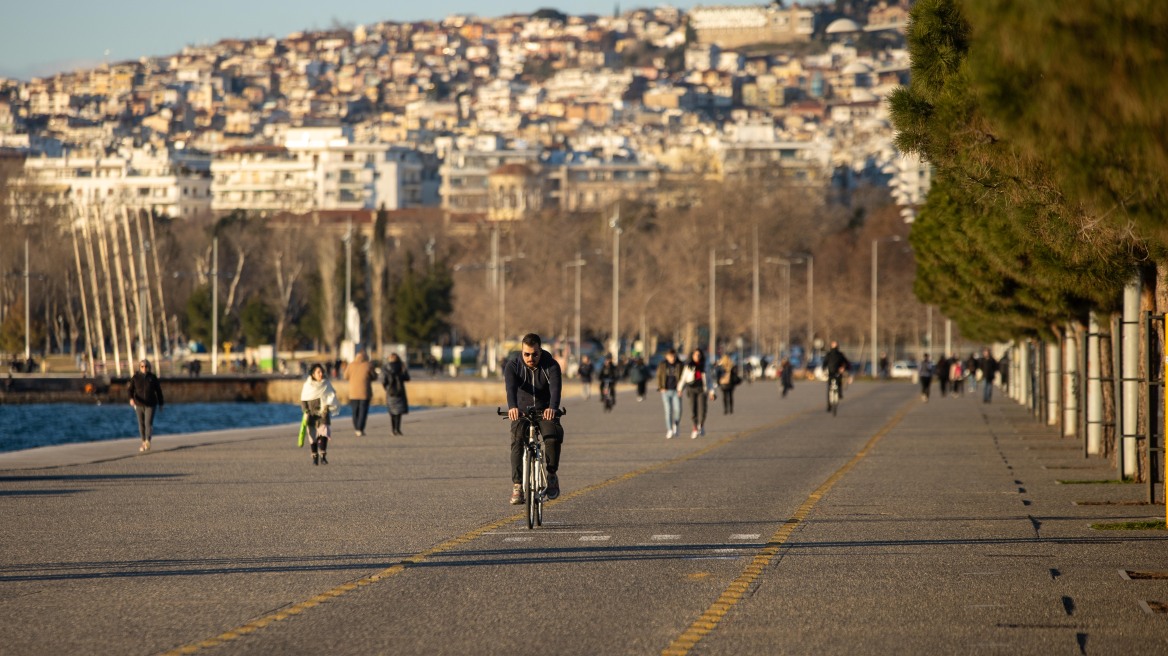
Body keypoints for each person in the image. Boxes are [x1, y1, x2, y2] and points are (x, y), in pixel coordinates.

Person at [505, 333, 564, 504]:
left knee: (552, 437)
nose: (531, 358)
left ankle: (551, 475)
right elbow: (510, 388)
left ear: (540, 350)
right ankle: (517, 485)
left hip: (545, 411)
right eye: (527, 354)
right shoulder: (513, 366)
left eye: (535, 354)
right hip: (522, 412)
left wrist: (552, 408)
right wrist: (512, 407)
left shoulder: (551, 366)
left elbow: (555, 390)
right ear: (522, 352)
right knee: (517, 441)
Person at [300, 363, 338, 465]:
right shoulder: (307, 385)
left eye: (321, 372)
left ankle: (323, 456)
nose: (320, 374)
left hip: (323, 413)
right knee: (313, 436)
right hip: (311, 414)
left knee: (324, 433)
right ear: (313, 374)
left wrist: (328, 405)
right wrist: (305, 410)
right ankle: (314, 457)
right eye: (318, 372)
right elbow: (303, 400)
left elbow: (332, 395)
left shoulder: (326, 384)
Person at [128, 359, 164, 452]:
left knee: (148, 423)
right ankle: (143, 442)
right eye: (142, 366)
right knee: (141, 424)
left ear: (149, 367)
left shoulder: (152, 377)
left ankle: (148, 440)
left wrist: (161, 403)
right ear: (139, 367)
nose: (144, 368)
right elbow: (130, 390)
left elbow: (159, 391)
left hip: (151, 404)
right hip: (139, 404)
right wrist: (131, 399)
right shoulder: (135, 377)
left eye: (146, 366)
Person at [680, 348, 713, 438]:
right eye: (695, 355)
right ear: (692, 356)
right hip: (691, 389)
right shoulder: (688, 366)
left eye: (699, 355)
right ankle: (695, 427)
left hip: (702, 389)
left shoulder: (705, 366)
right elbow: (683, 378)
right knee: (693, 409)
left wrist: (711, 392)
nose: (697, 356)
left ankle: (701, 425)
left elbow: (709, 380)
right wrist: (680, 389)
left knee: (702, 410)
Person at [343, 350, 375, 436]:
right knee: (363, 411)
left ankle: (356, 427)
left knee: (355, 411)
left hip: (353, 392)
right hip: (365, 392)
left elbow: (345, 376)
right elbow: (374, 376)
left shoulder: (351, 365)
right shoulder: (368, 365)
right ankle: (360, 428)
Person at [656, 349, 685, 438]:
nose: (672, 358)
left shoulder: (680, 364)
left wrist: (681, 388)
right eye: (670, 356)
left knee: (678, 410)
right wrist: (660, 387)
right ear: (666, 356)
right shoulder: (662, 364)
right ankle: (669, 429)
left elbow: (684, 377)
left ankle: (676, 424)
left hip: (677, 390)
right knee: (668, 411)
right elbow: (659, 376)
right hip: (665, 390)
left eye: (673, 356)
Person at [381, 352, 411, 435]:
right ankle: (398, 429)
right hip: (400, 391)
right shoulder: (401, 367)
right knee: (399, 412)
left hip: (390, 392)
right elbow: (407, 378)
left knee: (392, 411)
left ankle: (393, 429)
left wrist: (386, 388)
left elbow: (383, 380)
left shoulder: (386, 367)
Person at [822, 341, 851, 411]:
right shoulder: (840, 354)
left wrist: (824, 370)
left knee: (829, 389)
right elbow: (846, 363)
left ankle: (829, 405)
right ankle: (840, 393)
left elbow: (824, 364)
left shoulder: (828, 354)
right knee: (839, 383)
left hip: (830, 373)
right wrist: (844, 368)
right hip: (837, 373)